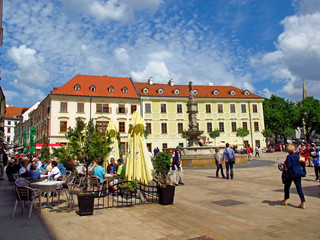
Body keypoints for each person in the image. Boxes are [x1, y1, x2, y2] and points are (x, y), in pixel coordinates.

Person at [281, 144, 306, 209]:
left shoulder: (289, 157)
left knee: (287, 187)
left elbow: (289, 165)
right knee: (299, 188)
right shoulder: (296, 156)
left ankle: (285, 200)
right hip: (298, 173)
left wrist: (284, 165)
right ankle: (302, 202)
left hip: (291, 174)